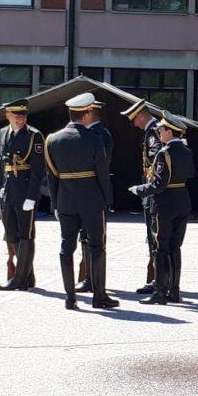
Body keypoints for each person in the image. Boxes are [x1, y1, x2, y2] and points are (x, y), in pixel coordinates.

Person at [45, 93, 117, 310]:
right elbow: (102, 173)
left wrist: (55, 203)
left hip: (65, 201)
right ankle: (99, 296)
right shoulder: (95, 139)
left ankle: (70, 297)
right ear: (86, 114)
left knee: (66, 247)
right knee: (97, 246)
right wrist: (107, 199)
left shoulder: (52, 140)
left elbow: (52, 176)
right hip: (92, 201)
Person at [130, 112, 194, 305]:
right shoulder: (186, 151)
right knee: (175, 247)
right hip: (182, 200)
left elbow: (159, 184)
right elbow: (191, 173)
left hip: (165, 204)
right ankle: (174, 291)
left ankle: (160, 292)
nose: (158, 133)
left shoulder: (164, 153)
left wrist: (139, 190)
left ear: (169, 132)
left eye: (161, 130)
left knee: (160, 247)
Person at [0, 100, 46, 291]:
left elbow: (38, 169)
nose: (20, 119)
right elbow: (1, 161)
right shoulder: (3, 132)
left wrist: (32, 196)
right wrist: (1, 186)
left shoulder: (34, 135)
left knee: (26, 234)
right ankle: (28, 275)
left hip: (25, 191)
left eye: (23, 116)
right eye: (16, 116)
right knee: (11, 233)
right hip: (9, 190)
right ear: (8, 115)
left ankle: (19, 278)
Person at [121, 99, 163, 294]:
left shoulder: (153, 132)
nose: (133, 123)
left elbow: (156, 159)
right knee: (153, 235)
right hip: (151, 189)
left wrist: (147, 188)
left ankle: (158, 279)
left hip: (153, 191)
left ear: (141, 115)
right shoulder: (152, 131)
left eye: (134, 119)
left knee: (155, 235)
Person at [77, 100, 113, 292]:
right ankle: (91, 278)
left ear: (90, 113)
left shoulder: (98, 134)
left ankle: (93, 279)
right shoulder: (98, 133)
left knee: (94, 239)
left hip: (93, 192)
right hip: (91, 192)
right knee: (87, 237)